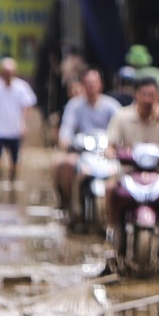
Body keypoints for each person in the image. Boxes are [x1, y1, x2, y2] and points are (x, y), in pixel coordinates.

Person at [104, 78, 159, 230]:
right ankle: (114, 230)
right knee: (110, 188)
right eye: (144, 94)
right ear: (136, 95)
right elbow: (111, 145)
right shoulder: (122, 116)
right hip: (128, 172)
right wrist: (111, 153)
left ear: (158, 96)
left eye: (152, 95)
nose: (148, 99)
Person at [53, 68, 118, 210]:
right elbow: (67, 129)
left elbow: (119, 128)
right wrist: (65, 140)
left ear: (101, 85)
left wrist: (113, 146)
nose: (91, 87)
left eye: (94, 83)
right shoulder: (74, 105)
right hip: (81, 150)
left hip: (105, 152)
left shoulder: (111, 106)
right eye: (88, 83)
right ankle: (68, 203)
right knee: (65, 163)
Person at [0, 56, 40, 182]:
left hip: (15, 129)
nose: (7, 76)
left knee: (14, 162)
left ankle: (12, 181)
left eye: (9, 73)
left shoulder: (22, 87)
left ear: (14, 73)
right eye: (4, 73)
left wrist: (24, 123)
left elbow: (27, 106)